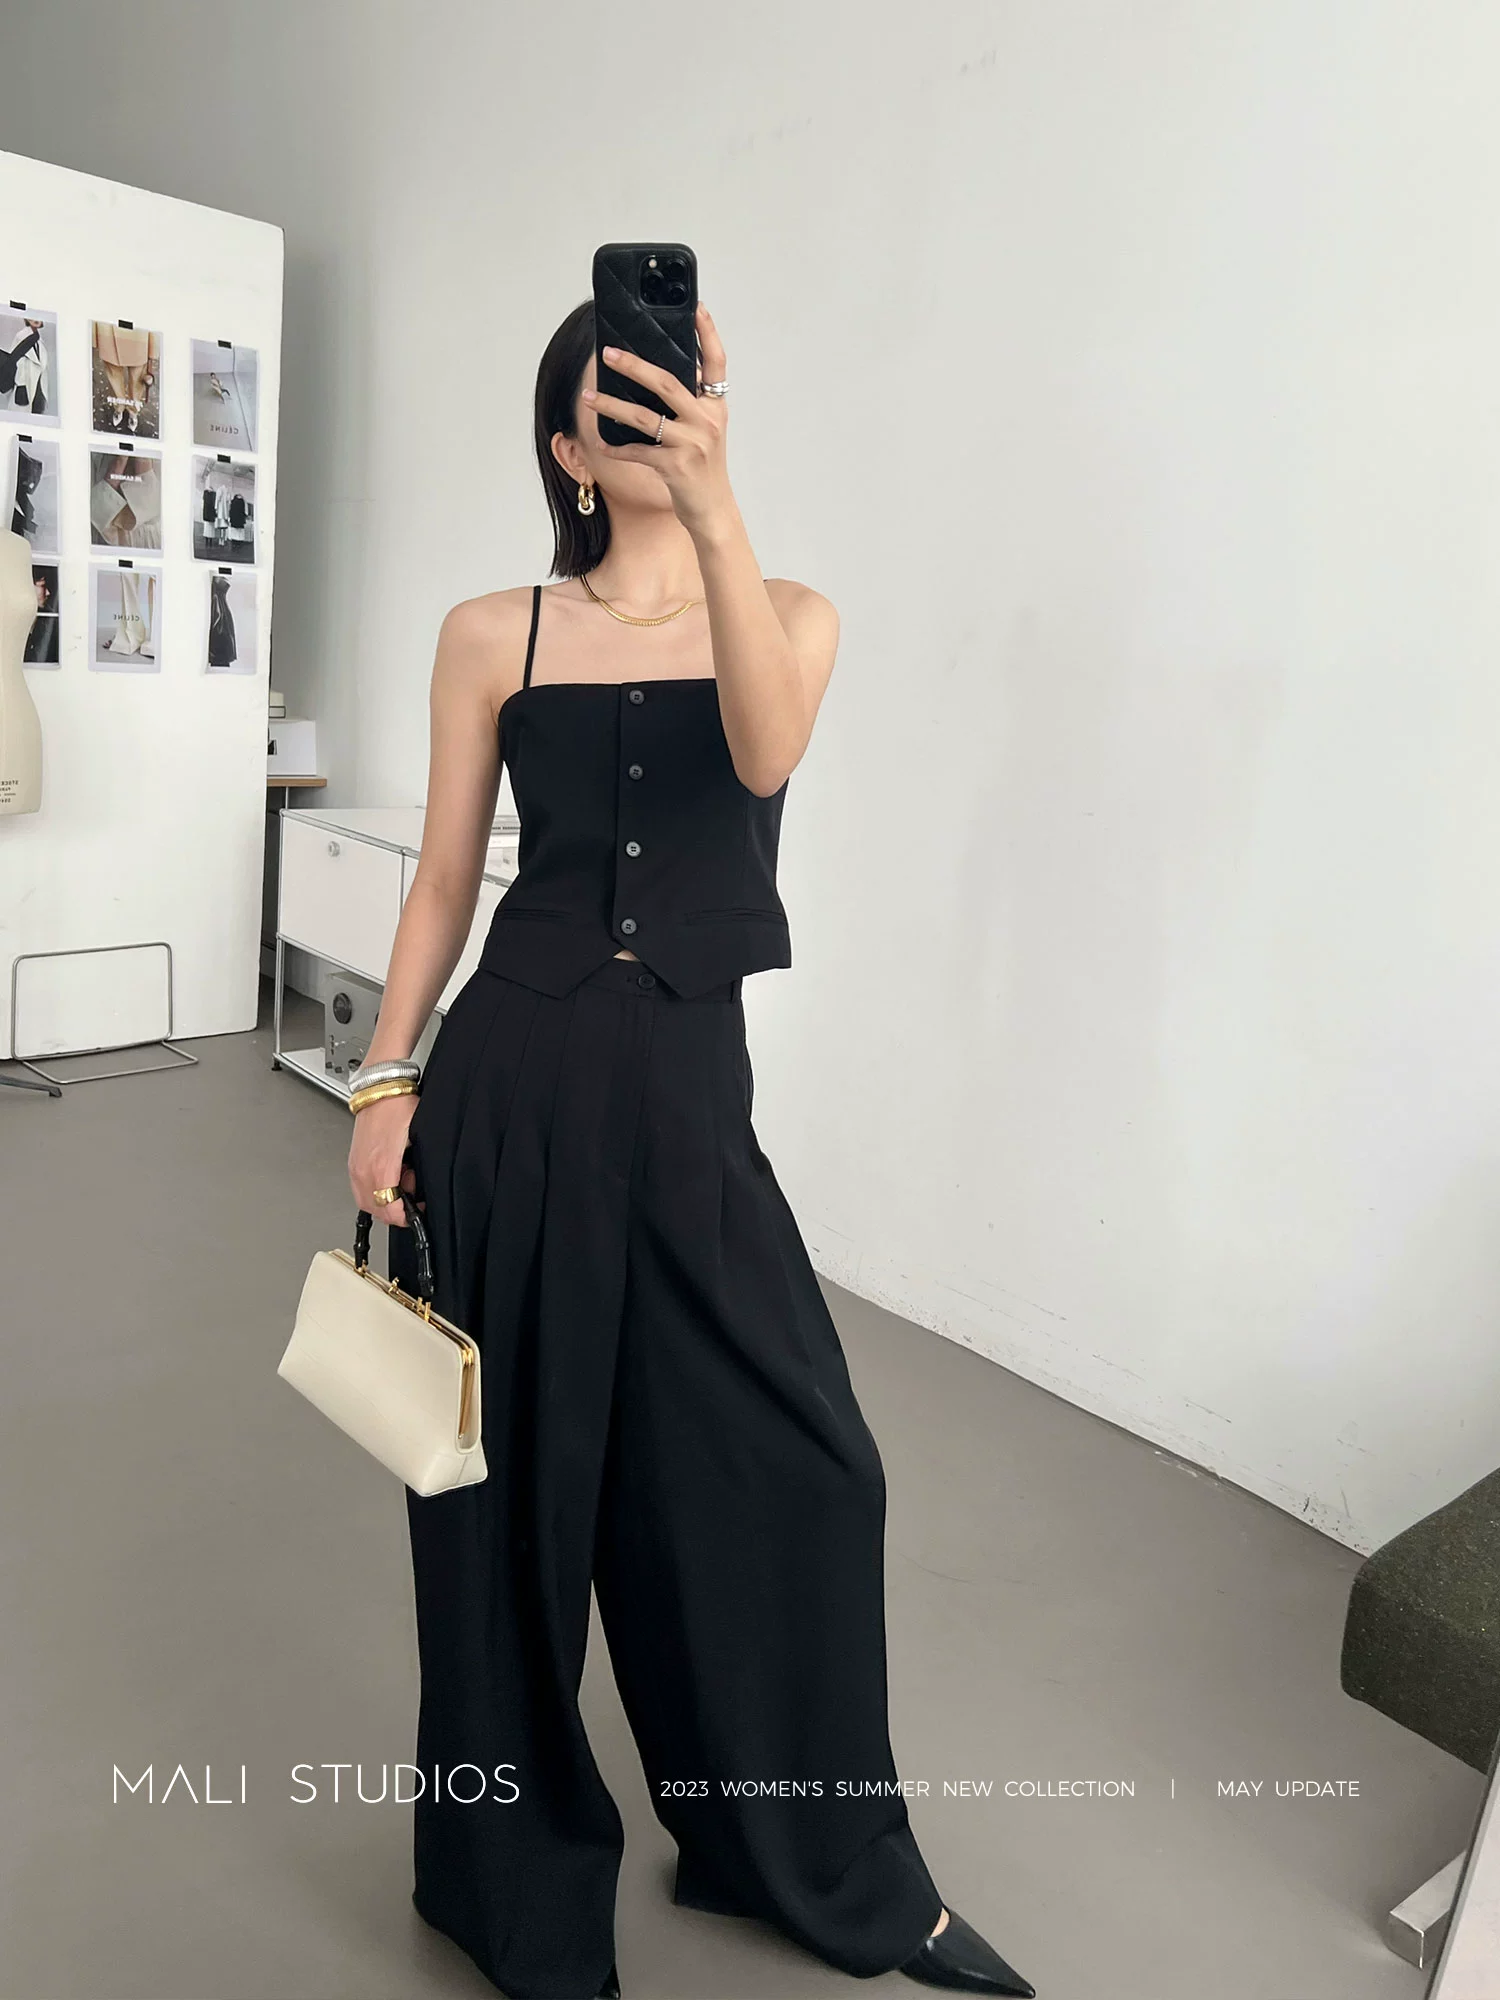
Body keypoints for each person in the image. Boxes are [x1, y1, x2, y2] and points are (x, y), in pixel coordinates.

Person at [347, 297, 1037, 2000]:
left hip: (684, 1107)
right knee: (506, 1510)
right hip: (509, 1091)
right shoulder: (489, 631)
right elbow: (444, 881)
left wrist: (720, 513)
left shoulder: (786, 612)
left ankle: (808, 1859)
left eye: (680, 389)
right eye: (621, 405)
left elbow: (766, 749)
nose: (656, 419)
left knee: (801, 1474)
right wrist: (381, 1083)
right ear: (570, 453)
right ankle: (515, 1897)